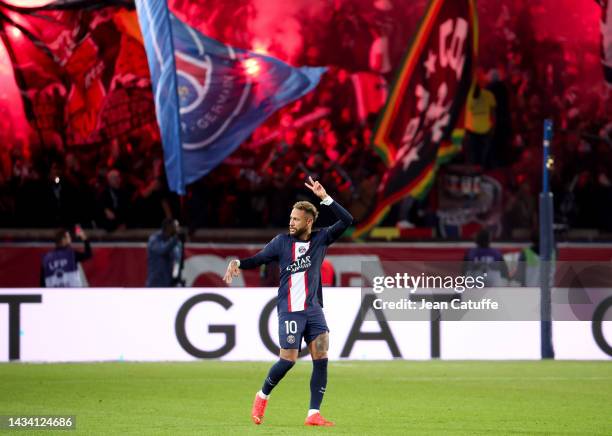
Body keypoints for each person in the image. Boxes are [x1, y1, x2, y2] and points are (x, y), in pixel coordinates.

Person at [224, 177, 353, 427]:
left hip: (315, 311)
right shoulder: (281, 242)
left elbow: (347, 221)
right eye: (291, 218)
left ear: (308, 221)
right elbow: (258, 259)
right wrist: (238, 262)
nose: (291, 222)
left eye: (296, 219)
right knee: (288, 360)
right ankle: (262, 396)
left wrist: (325, 198)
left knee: (322, 357)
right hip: (290, 311)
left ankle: (313, 413)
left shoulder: (321, 239)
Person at [146, 218, 184, 287]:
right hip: (156, 282)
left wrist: (176, 277)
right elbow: (162, 250)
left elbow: (177, 261)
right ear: (169, 227)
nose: (178, 229)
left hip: (170, 282)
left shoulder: (177, 242)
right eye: (176, 227)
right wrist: (175, 240)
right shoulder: (155, 239)